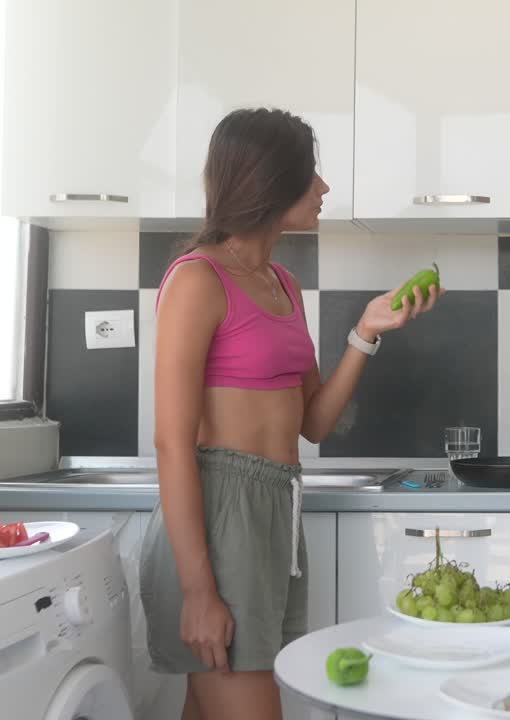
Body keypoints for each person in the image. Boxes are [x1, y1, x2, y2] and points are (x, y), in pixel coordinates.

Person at [138, 108, 442, 720]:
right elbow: (171, 443)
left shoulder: (283, 283)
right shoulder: (198, 281)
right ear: (269, 183)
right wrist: (199, 591)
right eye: (312, 176)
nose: (325, 189)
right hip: (219, 516)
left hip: (277, 509)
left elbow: (314, 424)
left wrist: (365, 331)